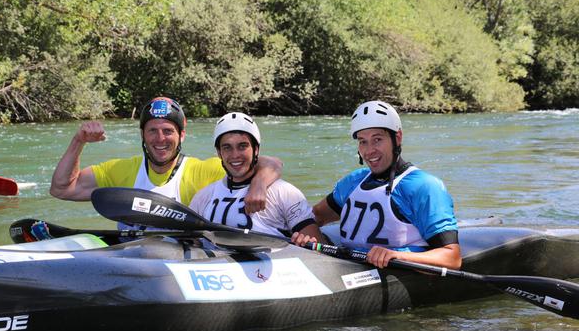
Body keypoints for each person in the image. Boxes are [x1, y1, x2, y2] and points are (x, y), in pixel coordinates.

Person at [50, 97, 283, 221]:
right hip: (130, 256)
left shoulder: (204, 170)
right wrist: (78, 141)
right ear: (142, 134)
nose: (160, 139)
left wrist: (259, 184)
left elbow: (271, 163)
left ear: (181, 134)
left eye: (168, 131)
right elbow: (61, 189)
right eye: (152, 131)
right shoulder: (121, 170)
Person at [292, 100, 461, 269]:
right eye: (362, 141)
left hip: (399, 270)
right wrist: (306, 237)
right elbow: (316, 217)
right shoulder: (353, 181)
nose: (369, 150)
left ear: (397, 138)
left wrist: (396, 255)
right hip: (349, 267)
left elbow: (451, 258)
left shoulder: (423, 186)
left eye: (377, 139)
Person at [190, 112, 324, 241]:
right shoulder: (203, 197)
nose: (235, 155)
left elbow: (318, 247)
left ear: (256, 150)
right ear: (219, 153)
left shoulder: (285, 193)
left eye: (242, 146)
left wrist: (304, 243)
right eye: (227, 147)